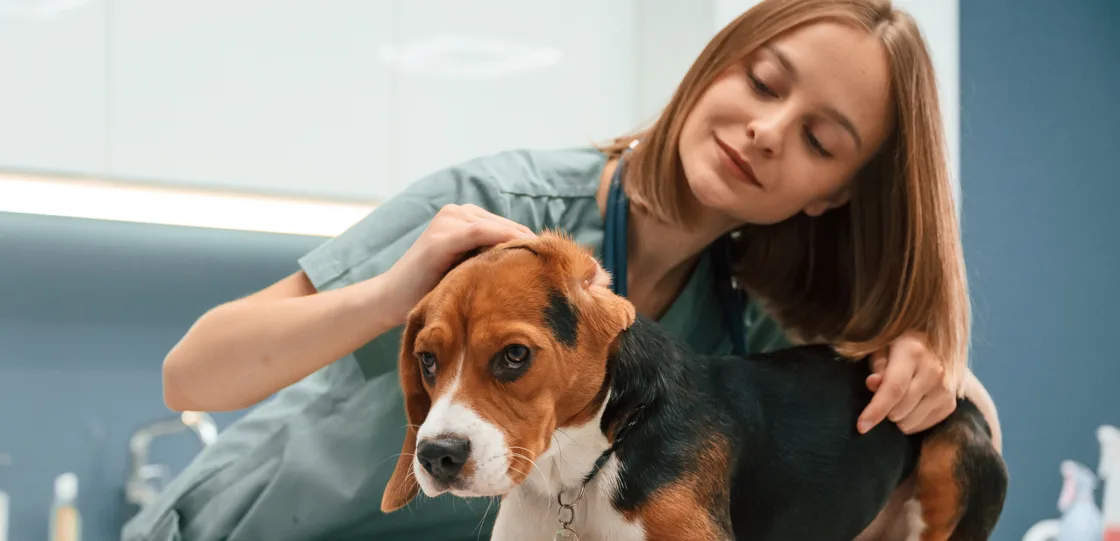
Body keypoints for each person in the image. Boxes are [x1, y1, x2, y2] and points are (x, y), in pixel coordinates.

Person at [123, 0, 1003, 539]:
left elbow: (954, 427)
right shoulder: (496, 214)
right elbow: (188, 374)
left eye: (820, 139)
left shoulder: (742, 316)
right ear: (713, 67)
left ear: (831, 197)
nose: (769, 131)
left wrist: (935, 367)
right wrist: (396, 294)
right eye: (765, 82)